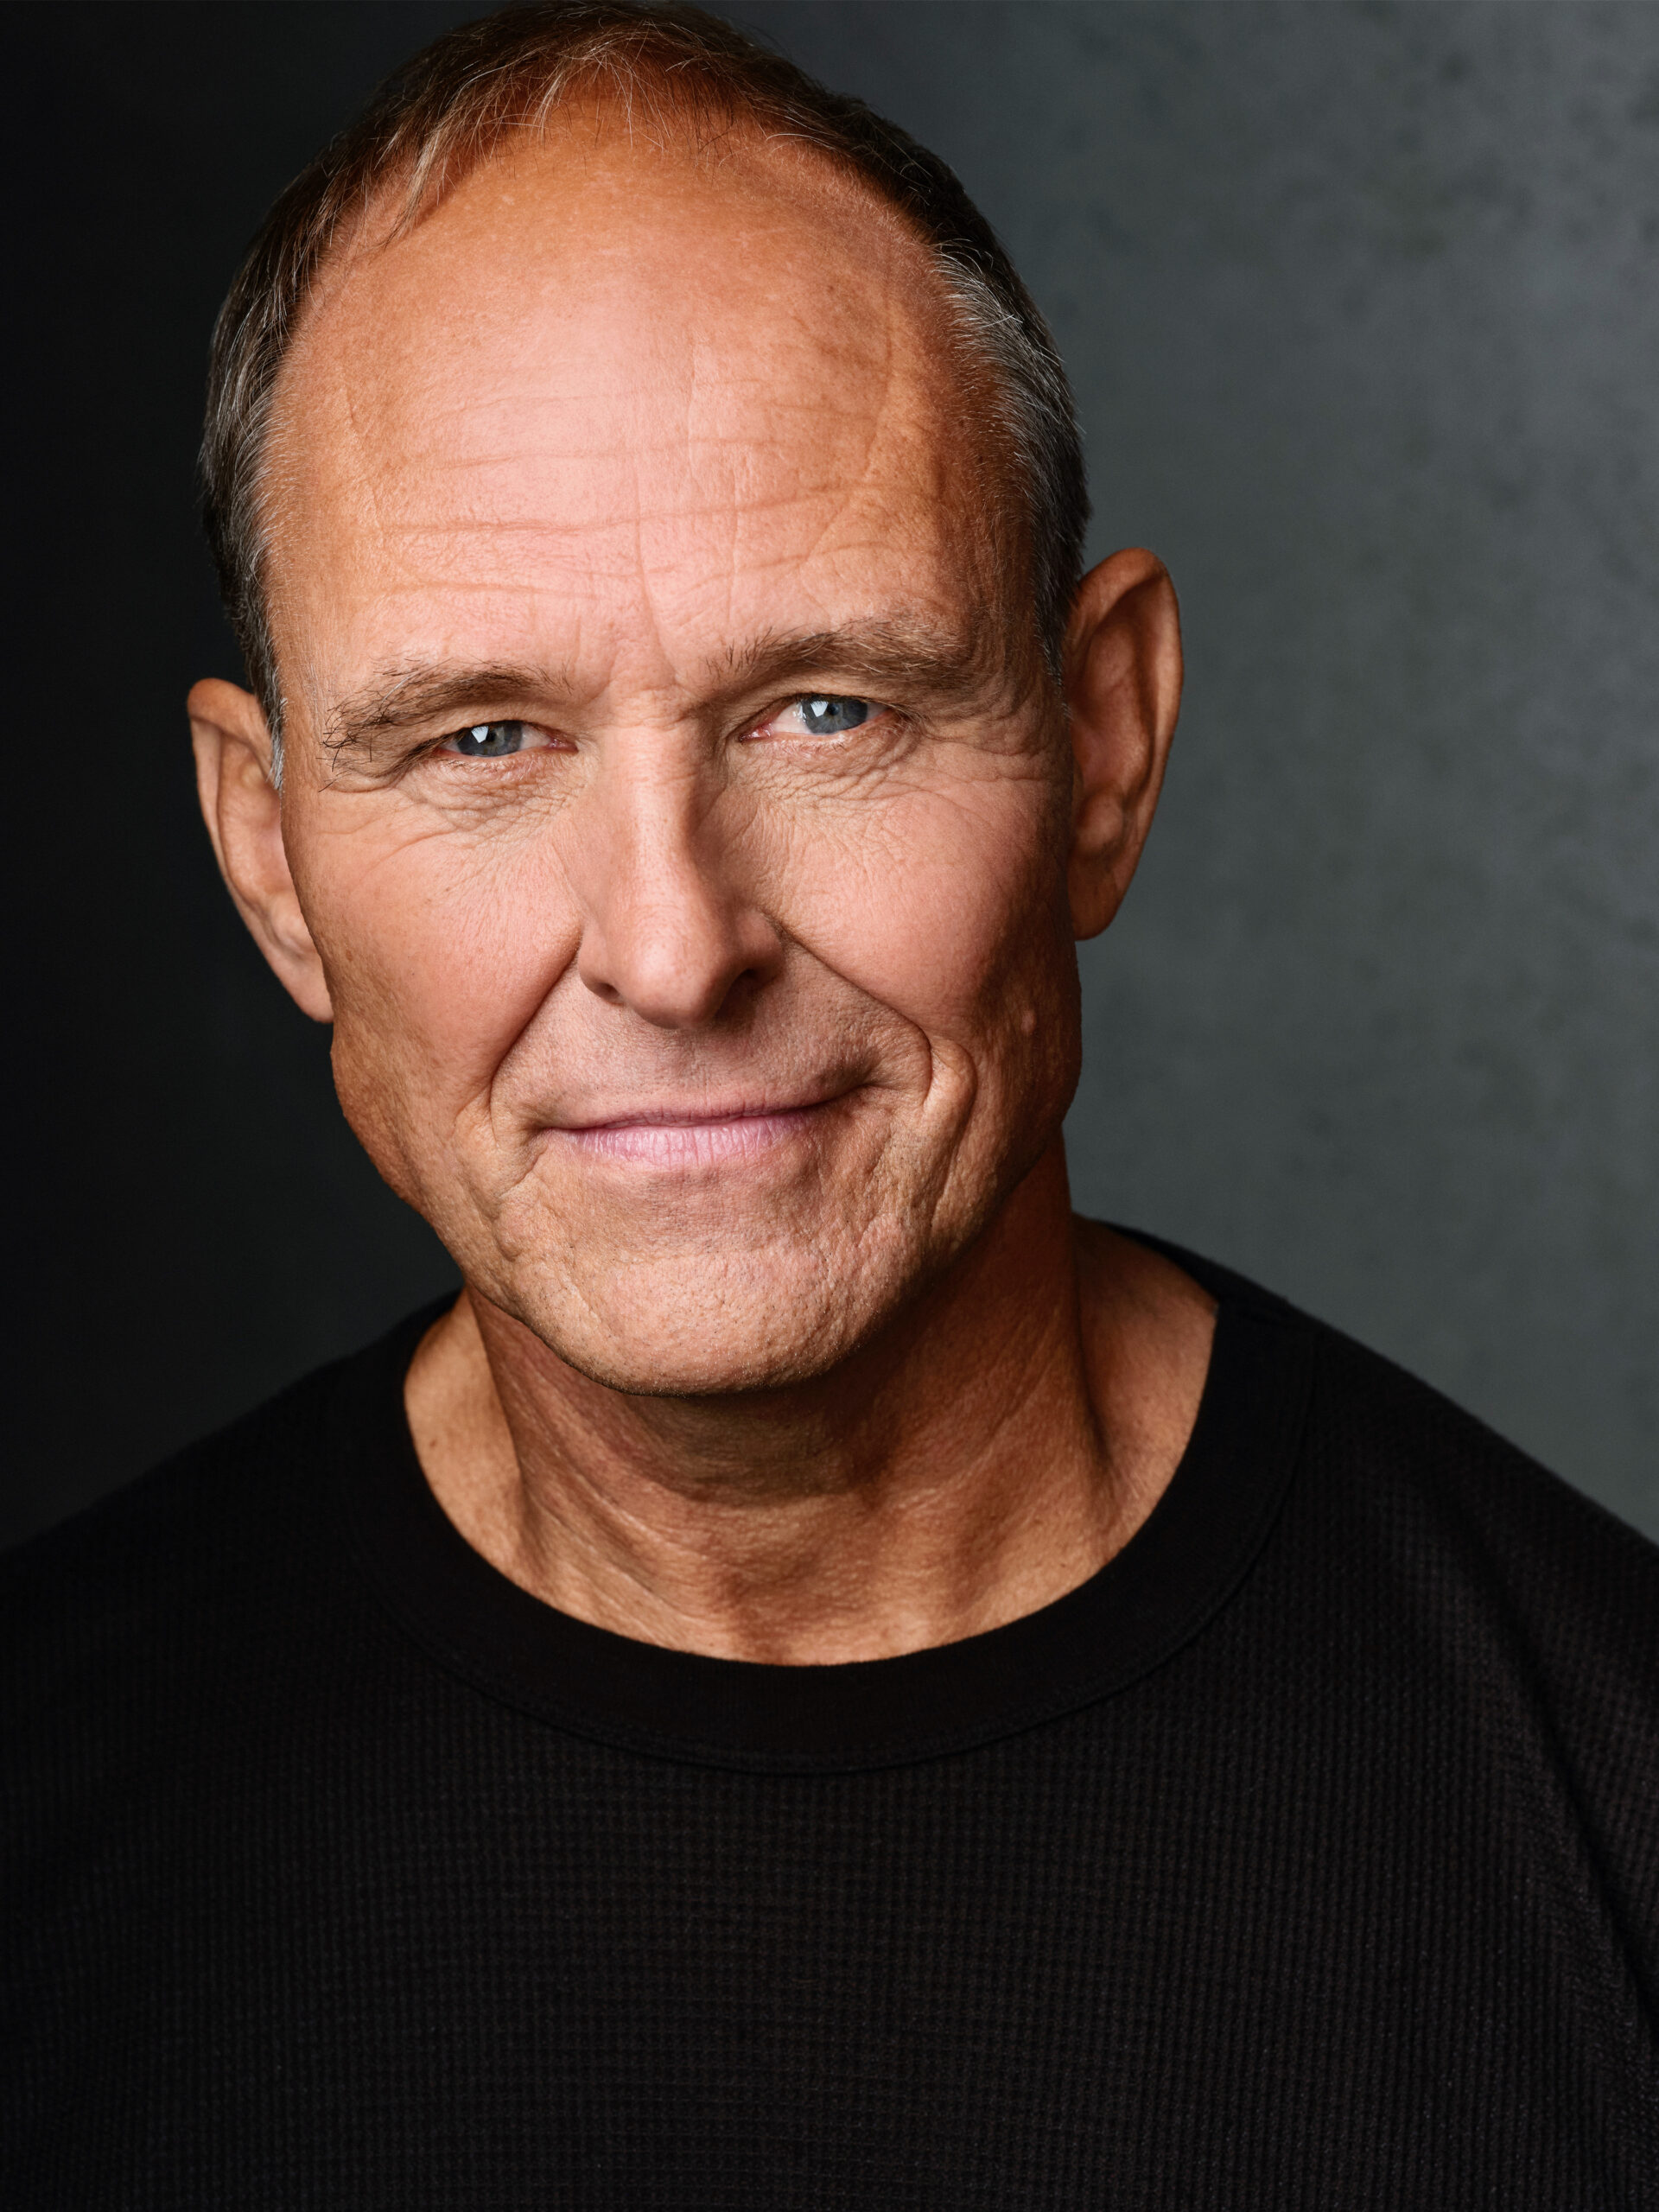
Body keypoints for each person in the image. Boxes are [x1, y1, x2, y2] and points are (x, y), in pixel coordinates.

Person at [4, 4, 1655, 2202]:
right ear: (268, 857)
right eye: (483, 740)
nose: (674, 946)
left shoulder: (1609, 1804)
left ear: (1105, 747)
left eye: (826, 708)